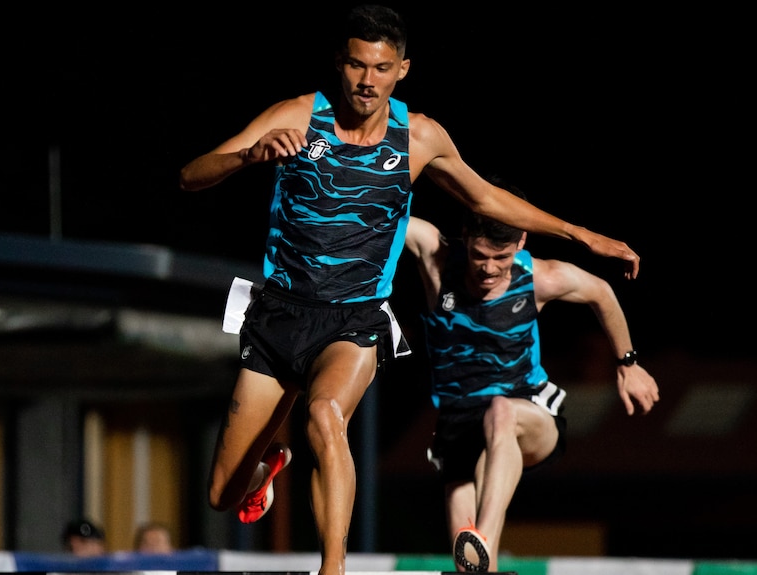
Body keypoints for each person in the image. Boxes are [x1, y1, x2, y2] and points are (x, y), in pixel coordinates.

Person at [179, 5, 640, 575]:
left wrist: (579, 233)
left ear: (402, 70)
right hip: (279, 315)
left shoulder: (420, 136)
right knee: (223, 493)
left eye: (380, 67)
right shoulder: (298, 115)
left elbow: (487, 199)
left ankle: (333, 569)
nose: (366, 80)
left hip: (353, 319)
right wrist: (249, 156)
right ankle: (272, 460)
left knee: (326, 414)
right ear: (340, 64)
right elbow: (191, 174)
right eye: (355, 65)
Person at [403, 180, 660, 572]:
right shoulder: (437, 257)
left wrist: (627, 363)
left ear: (521, 242)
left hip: (528, 414)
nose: (489, 269)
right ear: (466, 237)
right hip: (457, 424)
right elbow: (385, 211)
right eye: (479, 256)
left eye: (501, 257)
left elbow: (602, 293)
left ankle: (485, 537)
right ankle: (480, 552)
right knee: (468, 566)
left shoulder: (540, 277)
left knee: (501, 413)